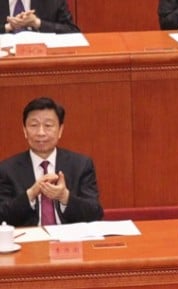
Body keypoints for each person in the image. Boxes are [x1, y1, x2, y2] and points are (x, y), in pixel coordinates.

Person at [0, 97, 103, 227]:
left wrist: (64, 196)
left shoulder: (81, 165)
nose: (41, 133)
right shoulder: (7, 169)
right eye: (34, 125)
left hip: (69, 237)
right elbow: (2, 216)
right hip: (30, 238)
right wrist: (30, 194)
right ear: (25, 130)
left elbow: (95, 213)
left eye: (48, 125)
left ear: (60, 130)